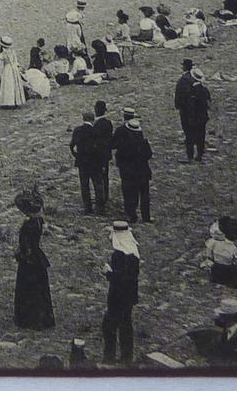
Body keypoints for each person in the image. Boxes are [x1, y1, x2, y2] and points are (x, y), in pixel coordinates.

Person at [13, 192, 55, 329]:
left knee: (28, 289)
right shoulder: (38, 221)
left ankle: (28, 319)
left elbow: (27, 244)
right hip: (37, 257)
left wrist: (21, 254)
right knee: (40, 289)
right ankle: (42, 318)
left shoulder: (28, 225)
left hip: (29, 259)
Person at [102, 220, 141, 365]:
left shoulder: (119, 255)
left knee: (109, 326)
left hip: (117, 295)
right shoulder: (133, 252)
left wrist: (108, 273)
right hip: (130, 295)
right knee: (126, 325)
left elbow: (120, 279)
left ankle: (109, 357)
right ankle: (126, 356)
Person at [113, 116, 152, 224]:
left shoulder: (124, 144)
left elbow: (119, 156)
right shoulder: (143, 142)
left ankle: (132, 215)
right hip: (143, 171)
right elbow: (149, 155)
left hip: (129, 172)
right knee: (144, 194)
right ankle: (146, 216)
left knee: (130, 194)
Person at [179, 68, 211, 162]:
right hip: (202, 118)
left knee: (189, 136)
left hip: (192, 118)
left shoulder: (191, 91)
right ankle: (199, 155)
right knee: (201, 136)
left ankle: (190, 156)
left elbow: (189, 105)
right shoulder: (205, 90)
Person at [0, 37, 26, 109]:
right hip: (14, 68)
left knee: (7, 85)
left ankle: (7, 102)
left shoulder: (2, 54)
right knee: (15, 84)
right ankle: (16, 100)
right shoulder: (13, 52)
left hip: (7, 69)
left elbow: (1, 66)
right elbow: (16, 62)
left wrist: (0, 75)